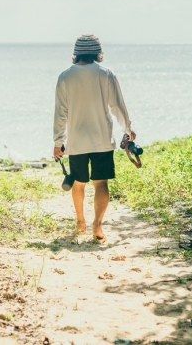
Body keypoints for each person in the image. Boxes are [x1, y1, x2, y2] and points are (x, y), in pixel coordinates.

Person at [52, 34, 135, 243]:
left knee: (79, 183)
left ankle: (81, 221)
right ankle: (97, 225)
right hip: (102, 139)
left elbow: (60, 113)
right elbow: (117, 106)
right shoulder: (106, 74)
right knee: (101, 183)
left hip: (77, 140)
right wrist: (128, 128)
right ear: (98, 53)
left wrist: (58, 142)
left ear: (76, 54)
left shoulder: (65, 77)